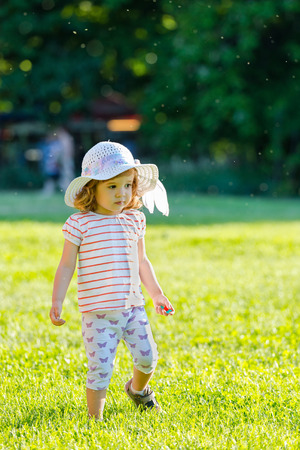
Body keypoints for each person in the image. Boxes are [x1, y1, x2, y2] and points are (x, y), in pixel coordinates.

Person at [49, 141, 174, 421]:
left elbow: (142, 261)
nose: (122, 193)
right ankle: (96, 421)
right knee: (100, 369)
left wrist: (157, 295)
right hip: (98, 314)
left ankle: (138, 390)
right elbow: (67, 265)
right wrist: (57, 300)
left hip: (133, 309)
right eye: (112, 186)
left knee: (148, 358)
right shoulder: (80, 224)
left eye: (127, 185)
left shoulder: (134, 220)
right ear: (91, 188)